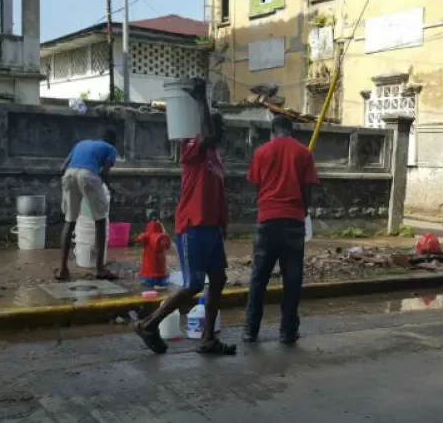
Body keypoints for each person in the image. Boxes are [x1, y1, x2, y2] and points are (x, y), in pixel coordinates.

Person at [134, 82, 236, 356]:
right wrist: (202, 100)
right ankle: (148, 323)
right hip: (192, 226)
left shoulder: (215, 158)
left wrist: (223, 226)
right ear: (205, 129)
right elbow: (206, 136)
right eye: (217, 128)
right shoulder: (192, 148)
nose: (221, 133)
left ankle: (207, 339)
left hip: (212, 229)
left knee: (218, 280)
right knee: (192, 283)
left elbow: (219, 195)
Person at [243, 114, 319, 344]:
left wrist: (266, 207)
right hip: (294, 222)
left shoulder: (261, 152)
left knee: (259, 278)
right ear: (291, 130)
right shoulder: (303, 153)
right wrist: (303, 211)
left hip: (266, 220)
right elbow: (308, 191)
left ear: (273, 131)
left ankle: (250, 330)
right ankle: (287, 331)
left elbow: (257, 188)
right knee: (292, 279)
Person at [56, 129, 119, 281]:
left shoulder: (81, 144)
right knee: (100, 220)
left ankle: (62, 269)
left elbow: (62, 168)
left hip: (69, 174)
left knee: (69, 220)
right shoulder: (111, 149)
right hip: (88, 175)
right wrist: (109, 188)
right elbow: (104, 172)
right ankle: (100, 269)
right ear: (113, 141)